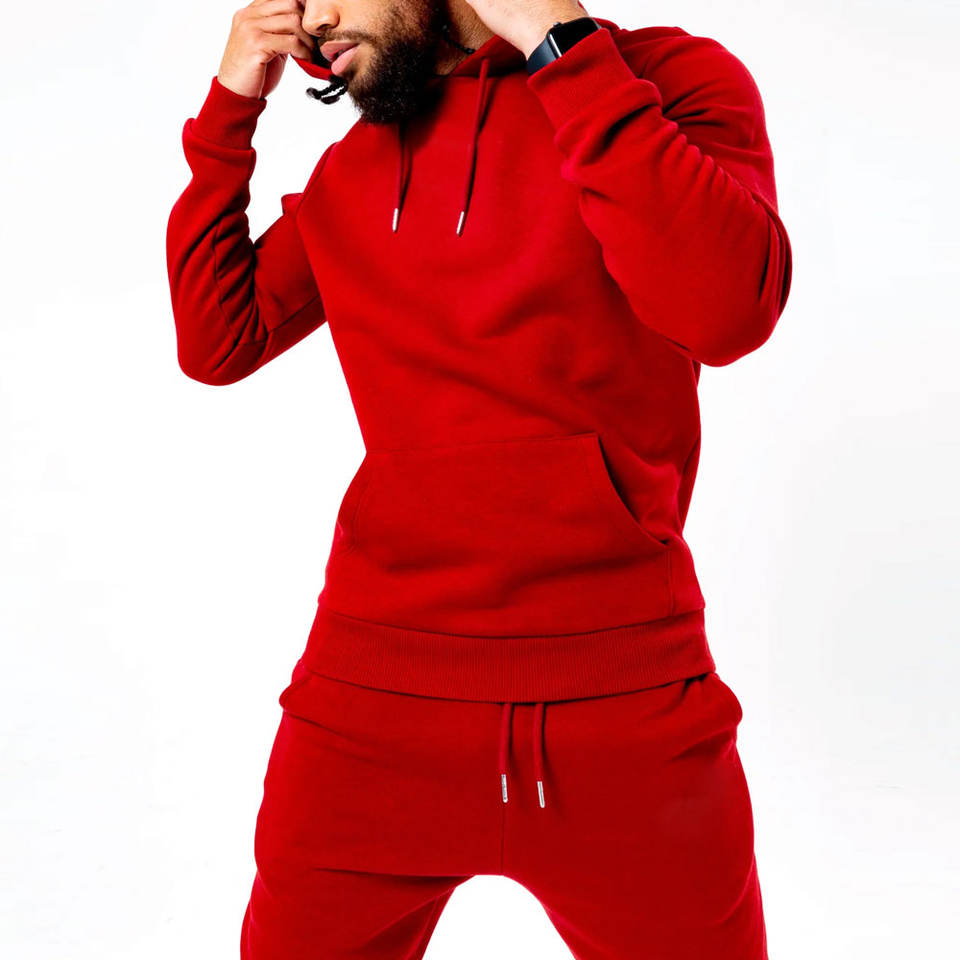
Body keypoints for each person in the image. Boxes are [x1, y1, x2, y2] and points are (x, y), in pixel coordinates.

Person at [165, 1, 793, 957]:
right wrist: (229, 108)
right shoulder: (355, 168)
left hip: (624, 712)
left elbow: (728, 311)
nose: (310, 21)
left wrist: (560, 44)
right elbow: (219, 338)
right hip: (367, 715)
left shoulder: (666, 85)